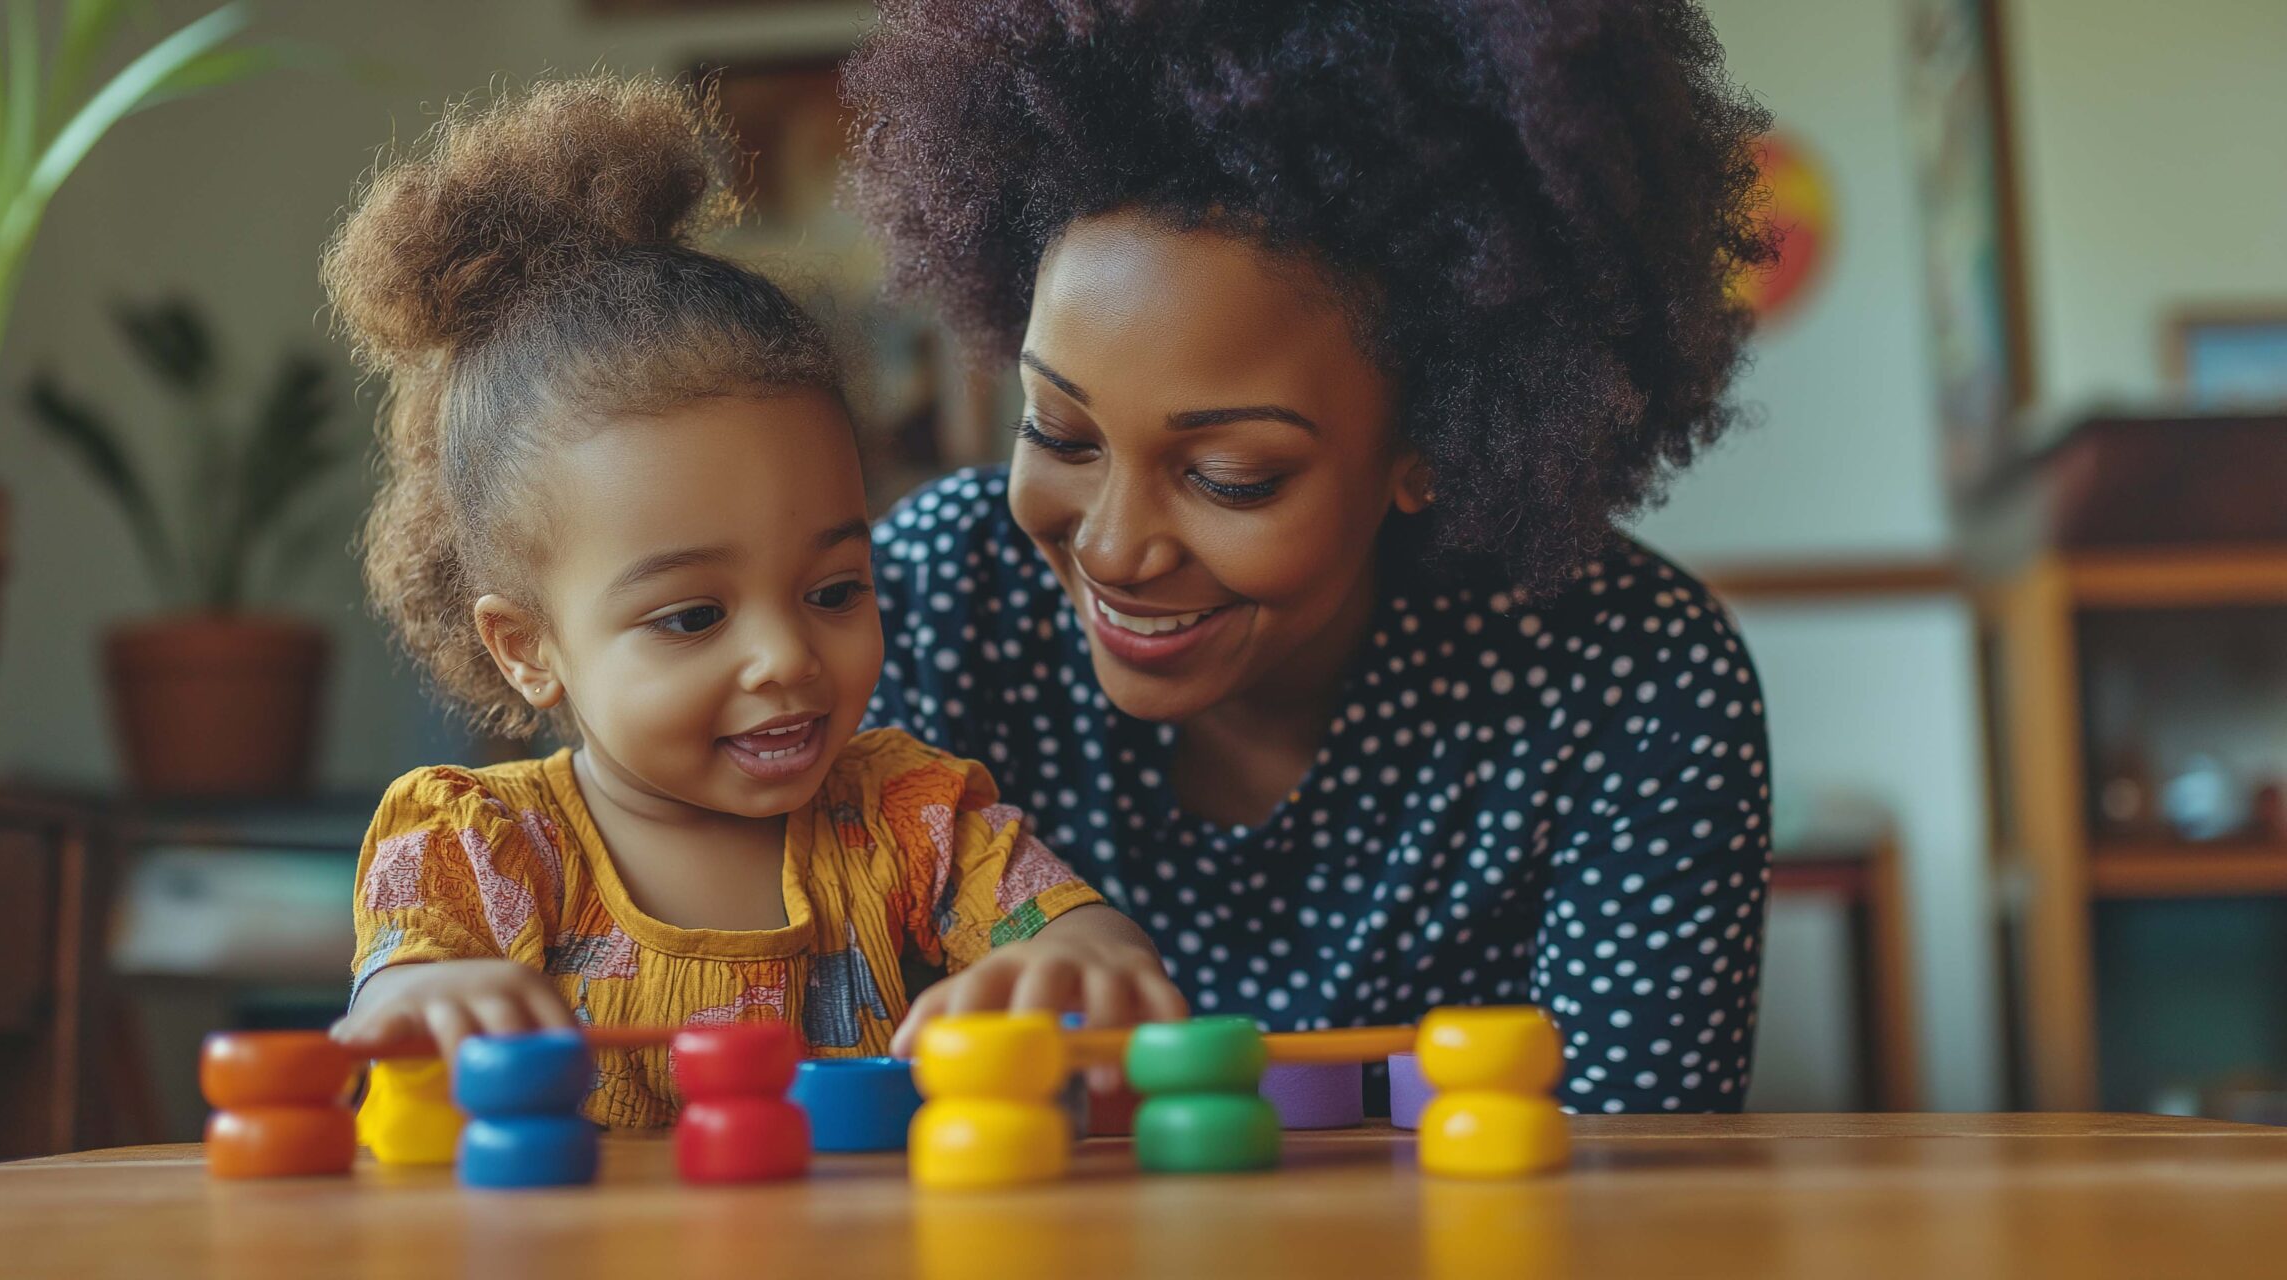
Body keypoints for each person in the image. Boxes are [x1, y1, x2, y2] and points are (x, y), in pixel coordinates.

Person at [844, 0, 1777, 1112]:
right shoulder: (936, 593)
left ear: (1427, 441)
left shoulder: (1628, 679)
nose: (1110, 545)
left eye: (1230, 475)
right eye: (1059, 433)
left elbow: (1634, 1179)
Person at [320, 76, 1179, 1127]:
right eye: (692, 616)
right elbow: (396, 1000)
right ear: (526, 645)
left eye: (833, 589)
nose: (786, 656)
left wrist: (1080, 963)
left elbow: (1084, 941)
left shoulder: (910, 821)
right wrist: (425, 995)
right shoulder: (479, 845)